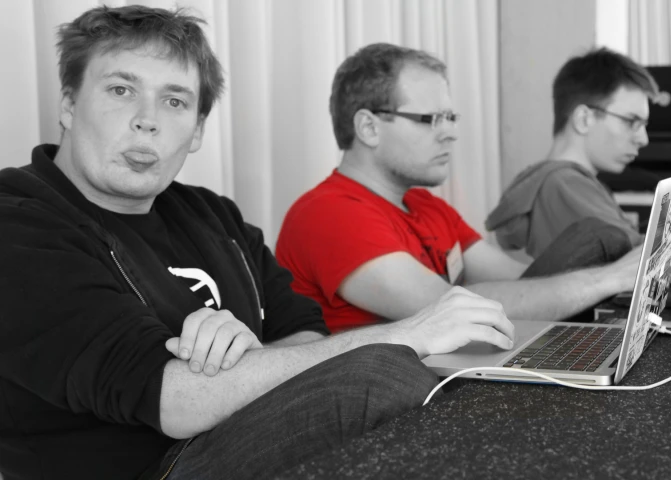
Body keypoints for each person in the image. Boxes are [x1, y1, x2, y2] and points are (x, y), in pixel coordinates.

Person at [0, 6, 517, 480]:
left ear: (198, 130)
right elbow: (175, 399)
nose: (147, 119)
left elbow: (308, 335)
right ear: (68, 105)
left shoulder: (209, 213)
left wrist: (248, 357)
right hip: (148, 470)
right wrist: (410, 333)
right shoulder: (20, 220)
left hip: (238, 435)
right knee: (376, 375)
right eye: (120, 90)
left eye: (175, 100)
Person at [275, 43, 671, 334]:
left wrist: (624, 269)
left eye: (452, 118)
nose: (449, 134)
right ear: (368, 126)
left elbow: (521, 281)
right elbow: (449, 308)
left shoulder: (425, 206)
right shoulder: (329, 213)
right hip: (407, 411)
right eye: (432, 120)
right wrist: (612, 275)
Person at [485, 48, 671, 266]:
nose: (643, 139)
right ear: (584, 119)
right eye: (631, 121)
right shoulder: (563, 184)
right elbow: (634, 264)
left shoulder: (561, 181)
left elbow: (625, 249)